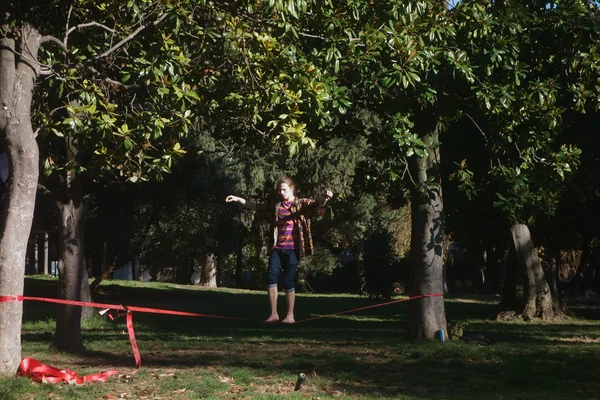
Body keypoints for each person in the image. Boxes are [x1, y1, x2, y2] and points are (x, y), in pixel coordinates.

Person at [226, 176, 333, 324]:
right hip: (277, 248)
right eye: (280, 190)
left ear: (292, 189)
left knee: (288, 279)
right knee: (271, 276)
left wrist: (325, 198)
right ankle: (274, 314)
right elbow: (257, 206)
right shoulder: (276, 206)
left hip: (293, 249)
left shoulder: (301, 204)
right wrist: (238, 199)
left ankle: (290, 316)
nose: (282, 192)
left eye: (284, 189)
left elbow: (316, 205)